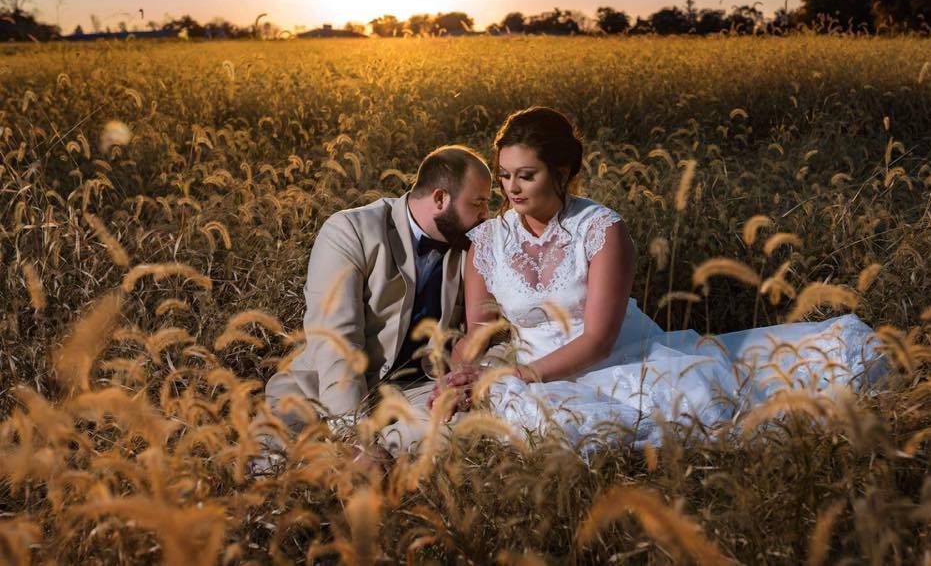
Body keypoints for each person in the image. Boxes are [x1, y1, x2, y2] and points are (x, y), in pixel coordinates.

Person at [431, 106, 885, 451]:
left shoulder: (602, 230)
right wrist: (462, 375)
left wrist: (517, 375)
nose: (512, 188)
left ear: (562, 173)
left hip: (618, 359)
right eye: (506, 175)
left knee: (675, 412)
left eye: (526, 176)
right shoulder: (488, 241)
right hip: (529, 369)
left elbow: (598, 341)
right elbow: (479, 333)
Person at [262, 144, 491, 468]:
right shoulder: (350, 231)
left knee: (465, 428)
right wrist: (353, 438)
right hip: (322, 391)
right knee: (271, 463)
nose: (486, 216)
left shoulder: (473, 247)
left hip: (415, 390)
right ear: (440, 198)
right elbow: (336, 343)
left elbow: (490, 328)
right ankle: (356, 462)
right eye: (478, 203)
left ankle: (366, 466)